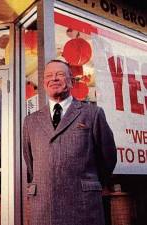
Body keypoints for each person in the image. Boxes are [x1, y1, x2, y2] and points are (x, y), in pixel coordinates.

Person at [23, 59, 117, 225]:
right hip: (44, 207)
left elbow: (108, 158)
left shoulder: (92, 113)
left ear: (71, 81)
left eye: (60, 74)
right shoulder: (31, 121)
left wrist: (90, 183)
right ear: (44, 83)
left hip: (83, 205)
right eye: (49, 76)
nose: (54, 79)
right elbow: (30, 163)